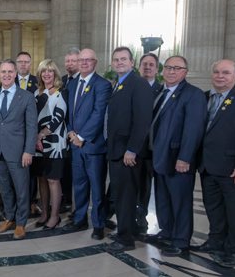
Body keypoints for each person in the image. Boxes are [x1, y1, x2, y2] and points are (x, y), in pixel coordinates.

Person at [195, 59, 235, 268]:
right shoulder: (204, 98)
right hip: (207, 167)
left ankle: (234, 250)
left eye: (225, 72)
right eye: (216, 72)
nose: (220, 76)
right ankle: (215, 241)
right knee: (214, 209)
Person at [149, 56, 207, 256]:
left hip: (178, 159)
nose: (171, 71)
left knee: (180, 201)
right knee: (163, 198)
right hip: (159, 156)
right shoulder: (159, 91)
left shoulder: (194, 95)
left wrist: (185, 157)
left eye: (177, 68)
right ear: (162, 70)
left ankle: (181, 240)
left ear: (185, 72)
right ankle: (166, 232)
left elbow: (194, 130)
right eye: (168, 67)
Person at [105, 46, 152, 253]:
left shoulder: (138, 84)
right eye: (116, 60)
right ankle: (128, 230)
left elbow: (142, 121)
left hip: (127, 153)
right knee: (122, 194)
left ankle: (125, 239)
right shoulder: (120, 84)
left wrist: (132, 149)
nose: (119, 62)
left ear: (132, 62)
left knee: (125, 196)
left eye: (123, 59)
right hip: (117, 150)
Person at [63, 48, 112, 241]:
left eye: (88, 60)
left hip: (93, 146)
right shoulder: (73, 83)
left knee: (97, 188)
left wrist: (82, 136)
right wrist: (70, 131)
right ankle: (80, 218)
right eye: (81, 60)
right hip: (75, 144)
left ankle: (98, 224)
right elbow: (69, 112)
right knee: (80, 185)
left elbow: (99, 114)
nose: (84, 63)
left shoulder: (103, 85)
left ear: (95, 62)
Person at [0, 59, 38, 240]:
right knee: (5, 188)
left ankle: (20, 223)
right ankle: (9, 217)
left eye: (10, 72)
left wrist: (28, 151)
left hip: (19, 153)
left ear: (15, 74)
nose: (7, 75)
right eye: (3, 72)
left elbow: (32, 127)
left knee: (21, 189)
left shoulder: (26, 97)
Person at [32, 59, 67, 230]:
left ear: (55, 74)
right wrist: (35, 138)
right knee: (42, 179)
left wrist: (40, 135)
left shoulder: (61, 93)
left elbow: (57, 119)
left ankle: (55, 216)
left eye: (50, 71)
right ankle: (44, 213)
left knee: (53, 180)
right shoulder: (36, 93)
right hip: (38, 146)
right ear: (40, 74)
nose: (47, 74)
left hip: (54, 143)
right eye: (43, 71)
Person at [136, 53, 163, 233]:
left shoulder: (163, 90)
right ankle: (136, 217)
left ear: (157, 68)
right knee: (135, 186)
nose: (147, 67)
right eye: (144, 64)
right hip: (135, 147)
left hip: (155, 149)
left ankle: (146, 218)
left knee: (148, 187)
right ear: (139, 66)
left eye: (151, 64)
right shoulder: (133, 87)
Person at [15, 51, 39, 216]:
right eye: (20, 62)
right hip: (14, 133)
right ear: (16, 64)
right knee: (14, 170)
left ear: (30, 64)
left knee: (30, 171)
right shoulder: (9, 80)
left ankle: (31, 202)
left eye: (26, 62)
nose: (23, 64)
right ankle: (15, 203)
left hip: (31, 132)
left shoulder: (38, 82)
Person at [60, 48, 80, 211]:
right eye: (67, 61)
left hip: (76, 134)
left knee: (76, 172)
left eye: (73, 61)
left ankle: (76, 205)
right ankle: (66, 198)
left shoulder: (82, 80)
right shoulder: (63, 80)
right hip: (62, 133)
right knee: (65, 169)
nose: (70, 64)